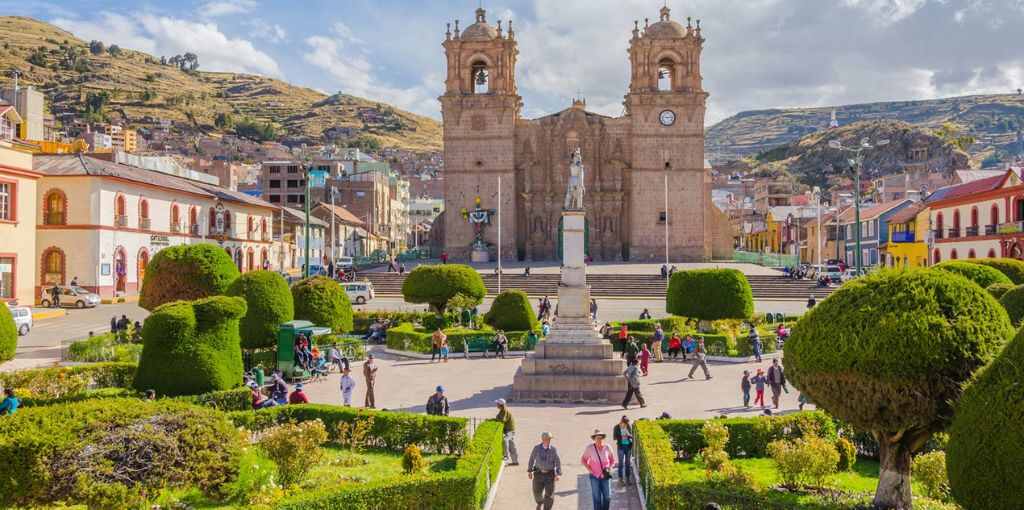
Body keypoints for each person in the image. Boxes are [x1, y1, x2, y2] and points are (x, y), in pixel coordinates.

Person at [581, 429, 616, 510]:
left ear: (603, 438)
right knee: (597, 498)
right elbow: (583, 460)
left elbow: (613, 461)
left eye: (601, 438)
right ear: (594, 439)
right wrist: (589, 469)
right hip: (594, 477)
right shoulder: (590, 448)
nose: (599, 440)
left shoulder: (608, 447)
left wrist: (609, 468)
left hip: (605, 477)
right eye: (597, 438)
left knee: (607, 497)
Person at [527, 431, 561, 510]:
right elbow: (531, 459)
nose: (548, 441)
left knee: (549, 495)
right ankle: (540, 502)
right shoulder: (536, 448)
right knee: (537, 493)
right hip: (538, 473)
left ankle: (547, 508)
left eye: (549, 439)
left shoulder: (553, 449)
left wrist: (558, 474)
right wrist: (530, 471)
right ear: (542, 439)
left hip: (550, 474)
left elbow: (557, 461)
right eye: (546, 439)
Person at [495, 399, 519, 465]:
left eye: (497, 404)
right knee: (512, 446)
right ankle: (515, 461)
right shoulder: (502, 411)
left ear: (500, 405)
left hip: (510, 430)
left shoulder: (504, 411)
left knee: (505, 441)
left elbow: (503, 420)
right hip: (509, 430)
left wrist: (496, 420)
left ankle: (506, 456)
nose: (496, 405)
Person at [613, 416, 635, 483]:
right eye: (624, 423)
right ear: (621, 421)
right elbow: (614, 438)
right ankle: (620, 478)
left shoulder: (628, 426)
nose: (625, 424)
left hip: (628, 447)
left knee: (628, 463)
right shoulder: (616, 427)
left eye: (626, 423)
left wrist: (628, 435)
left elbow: (631, 435)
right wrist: (621, 435)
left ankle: (627, 478)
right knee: (621, 463)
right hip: (621, 447)